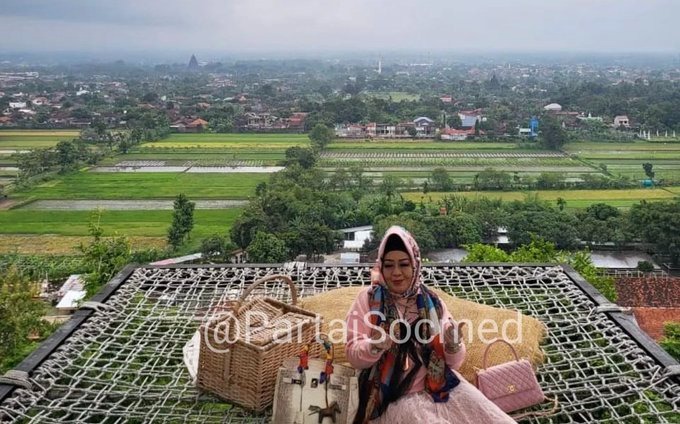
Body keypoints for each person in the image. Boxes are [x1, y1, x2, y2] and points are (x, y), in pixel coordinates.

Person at [345, 225, 516, 424]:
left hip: (440, 388)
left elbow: (454, 363)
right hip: (393, 398)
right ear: (381, 266)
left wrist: (453, 345)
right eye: (389, 265)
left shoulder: (431, 303)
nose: (396, 273)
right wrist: (373, 346)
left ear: (415, 265)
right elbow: (353, 356)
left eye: (404, 264)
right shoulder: (368, 301)